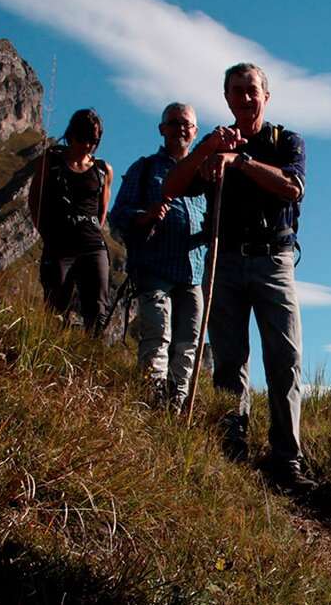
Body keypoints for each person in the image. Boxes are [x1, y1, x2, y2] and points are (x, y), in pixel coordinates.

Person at [161, 62, 315, 493]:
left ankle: (287, 459)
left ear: (266, 96)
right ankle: (233, 447)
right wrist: (207, 147)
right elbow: (171, 188)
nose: (246, 98)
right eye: (237, 91)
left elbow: (293, 187)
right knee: (230, 360)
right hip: (224, 262)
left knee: (284, 361)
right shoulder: (214, 144)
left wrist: (241, 161)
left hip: (273, 260)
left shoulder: (286, 141)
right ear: (226, 98)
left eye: (252, 90)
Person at [109, 102, 209, 412]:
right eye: (174, 123)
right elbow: (118, 216)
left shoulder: (204, 175)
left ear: (195, 132)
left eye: (187, 124)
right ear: (162, 129)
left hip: (193, 271)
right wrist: (145, 215)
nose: (181, 128)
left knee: (189, 342)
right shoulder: (145, 168)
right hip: (155, 266)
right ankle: (152, 400)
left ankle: (176, 405)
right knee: (157, 333)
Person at [28, 108, 115, 334]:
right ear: (72, 134)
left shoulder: (103, 170)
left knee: (97, 308)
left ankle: (92, 360)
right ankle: (52, 354)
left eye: (94, 140)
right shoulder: (52, 159)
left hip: (92, 244)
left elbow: (102, 211)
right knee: (56, 305)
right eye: (83, 138)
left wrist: (92, 229)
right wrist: (46, 232)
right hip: (58, 244)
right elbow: (34, 198)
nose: (88, 145)